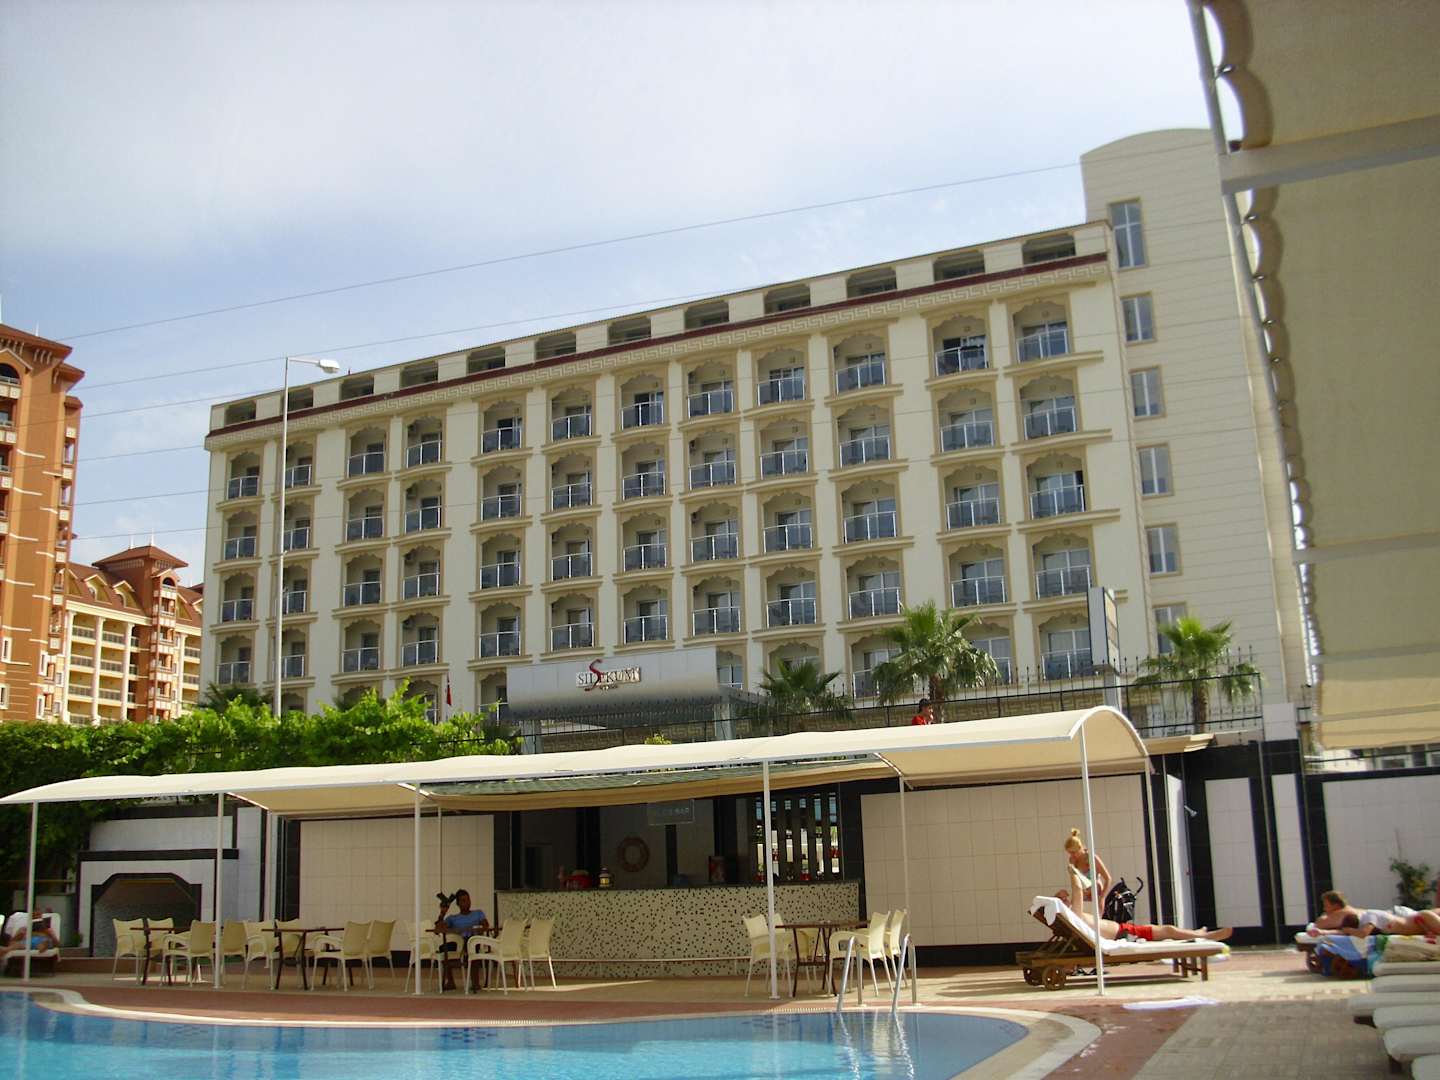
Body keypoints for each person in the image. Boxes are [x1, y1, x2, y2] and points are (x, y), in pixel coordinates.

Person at [1056, 885, 1232, 943]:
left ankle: (1199, 934)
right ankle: (1207, 936)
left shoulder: (1074, 917)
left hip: (1124, 930)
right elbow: (1077, 890)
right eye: (1063, 899)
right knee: (1168, 930)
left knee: (1166, 930)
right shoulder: (1075, 916)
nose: (1067, 899)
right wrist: (1073, 872)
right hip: (1125, 933)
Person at [434, 889, 489, 991]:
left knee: (472, 946)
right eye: (463, 900)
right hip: (458, 943)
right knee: (443, 948)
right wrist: (442, 913)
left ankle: (475, 982)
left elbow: (485, 925)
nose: (467, 902)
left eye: (468, 900)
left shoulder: (478, 913)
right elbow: (438, 930)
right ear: (458, 904)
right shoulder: (452, 918)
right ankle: (450, 982)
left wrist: (478, 929)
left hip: (472, 940)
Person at [1063, 828, 1112, 904]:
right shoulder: (1072, 860)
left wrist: (1102, 898)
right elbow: (1075, 883)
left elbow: (1108, 879)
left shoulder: (1092, 858)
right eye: (1069, 853)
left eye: (1073, 852)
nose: (1072, 855)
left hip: (1095, 894)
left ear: (1080, 848)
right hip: (1082, 895)